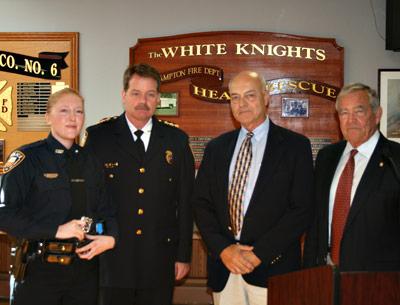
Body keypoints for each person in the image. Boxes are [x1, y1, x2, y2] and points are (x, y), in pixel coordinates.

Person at [193, 71, 314, 305]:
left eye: (250, 95)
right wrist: (225, 250)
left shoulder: (295, 146)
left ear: (266, 98)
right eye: (235, 97)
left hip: (273, 268)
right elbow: (201, 204)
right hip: (225, 269)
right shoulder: (216, 148)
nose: (242, 104)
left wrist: (258, 254)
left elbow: (301, 209)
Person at [84, 64, 195, 305]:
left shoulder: (176, 140)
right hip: (111, 258)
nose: (142, 101)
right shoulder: (99, 137)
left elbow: (185, 202)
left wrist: (183, 255)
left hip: (159, 260)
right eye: (136, 93)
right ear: (123, 96)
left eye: (150, 94)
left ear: (158, 98)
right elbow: (87, 200)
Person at [0, 88, 117, 305]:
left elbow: (106, 210)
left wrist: (111, 237)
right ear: (47, 117)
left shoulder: (91, 162)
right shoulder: (26, 159)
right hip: (39, 270)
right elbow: (4, 215)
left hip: (85, 271)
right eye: (64, 110)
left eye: (79, 111)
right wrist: (56, 230)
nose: (73, 118)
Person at [303, 83, 400, 271]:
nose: (351, 120)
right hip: (326, 273)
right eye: (344, 113)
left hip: (378, 279)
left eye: (359, 111)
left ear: (377, 115)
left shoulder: (395, 158)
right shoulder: (327, 156)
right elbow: (316, 221)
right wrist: (309, 271)